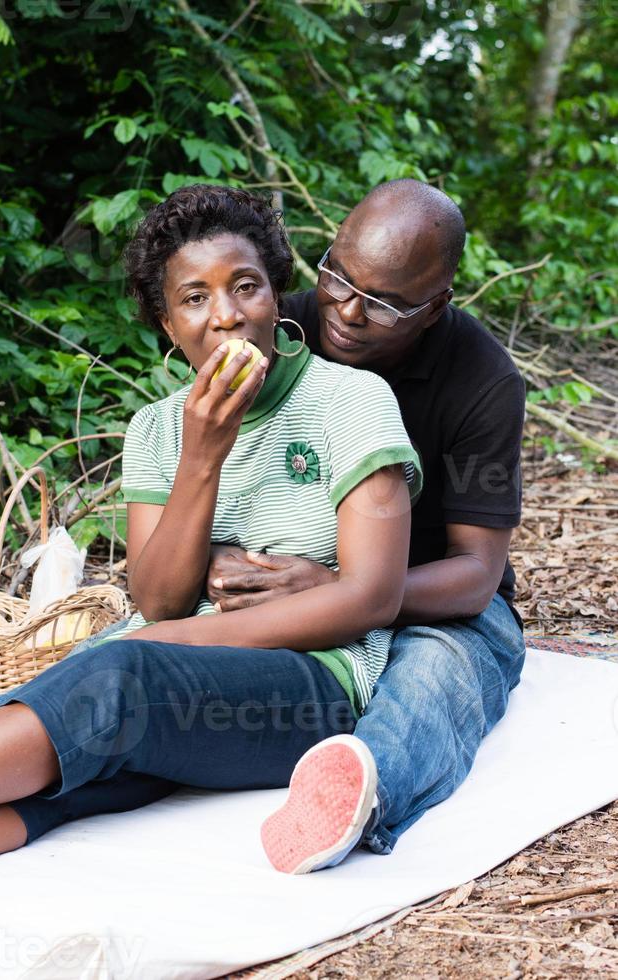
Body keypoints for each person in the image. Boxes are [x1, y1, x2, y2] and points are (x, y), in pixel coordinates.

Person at [0, 185, 422, 867]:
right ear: (166, 322)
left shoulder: (351, 400)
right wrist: (202, 453)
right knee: (53, 751)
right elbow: (160, 599)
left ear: (276, 294)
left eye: (247, 287)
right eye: (195, 298)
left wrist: (178, 639)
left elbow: (371, 597)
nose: (228, 317)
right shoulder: (156, 428)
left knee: (117, 682)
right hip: (166, 675)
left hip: (306, 686)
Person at [207, 179, 527, 873]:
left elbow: (476, 573)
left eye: (383, 303)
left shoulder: (484, 381)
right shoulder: (279, 330)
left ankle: (362, 792)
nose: (347, 311)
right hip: (286, 578)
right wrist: (226, 558)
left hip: (433, 600)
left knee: (434, 676)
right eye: (337, 277)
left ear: (436, 304)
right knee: (147, 652)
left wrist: (347, 590)